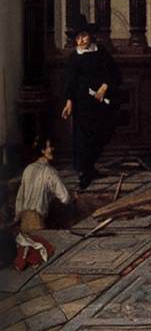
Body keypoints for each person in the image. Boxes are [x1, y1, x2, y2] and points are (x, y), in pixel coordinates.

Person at [61, 15, 122, 191]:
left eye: (84, 36)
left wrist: (104, 86)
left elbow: (114, 73)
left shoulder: (100, 52)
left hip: (100, 101)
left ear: (90, 36)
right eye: (77, 37)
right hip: (82, 103)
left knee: (102, 133)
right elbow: (70, 82)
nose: (81, 41)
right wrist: (69, 102)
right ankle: (84, 172)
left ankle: (91, 167)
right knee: (83, 138)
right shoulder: (74, 57)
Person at [13, 137, 70, 271]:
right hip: (37, 220)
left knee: (28, 249)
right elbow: (65, 197)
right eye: (50, 147)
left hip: (24, 219)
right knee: (44, 255)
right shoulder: (49, 171)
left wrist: (17, 218)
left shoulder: (28, 168)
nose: (53, 149)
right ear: (43, 150)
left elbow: (20, 197)